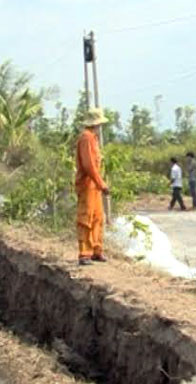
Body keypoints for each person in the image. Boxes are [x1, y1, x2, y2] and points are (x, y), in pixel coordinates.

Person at [75, 108, 109, 266]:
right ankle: (84, 253)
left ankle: (96, 250)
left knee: (97, 217)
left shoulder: (93, 138)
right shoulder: (86, 138)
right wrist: (101, 183)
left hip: (94, 185)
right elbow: (88, 165)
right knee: (86, 217)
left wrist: (99, 184)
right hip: (87, 184)